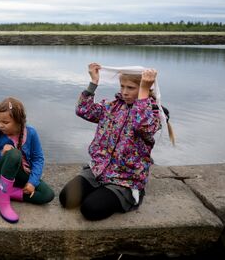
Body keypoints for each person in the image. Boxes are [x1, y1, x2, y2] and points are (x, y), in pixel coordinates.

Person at [59, 63, 170, 221]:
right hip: (99, 169)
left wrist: (144, 91)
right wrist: (94, 82)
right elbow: (83, 110)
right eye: (122, 86)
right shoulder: (113, 107)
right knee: (66, 199)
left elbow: (142, 125)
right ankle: (100, 190)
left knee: (90, 210)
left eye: (131, 88)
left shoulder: (156, 114)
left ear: (144, 88)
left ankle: (132, 195)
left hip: (126, 178)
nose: (124, 92)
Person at [0, 97, 55, 223]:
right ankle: (1, 202)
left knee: (47, 194)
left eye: (5, 122)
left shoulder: (31, 133)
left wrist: (32, 182)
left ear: (18, 121)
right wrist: (1, 153)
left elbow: (38, 159)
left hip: (20, 173)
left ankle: (0, 191)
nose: (0, 125)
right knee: (14, 154)